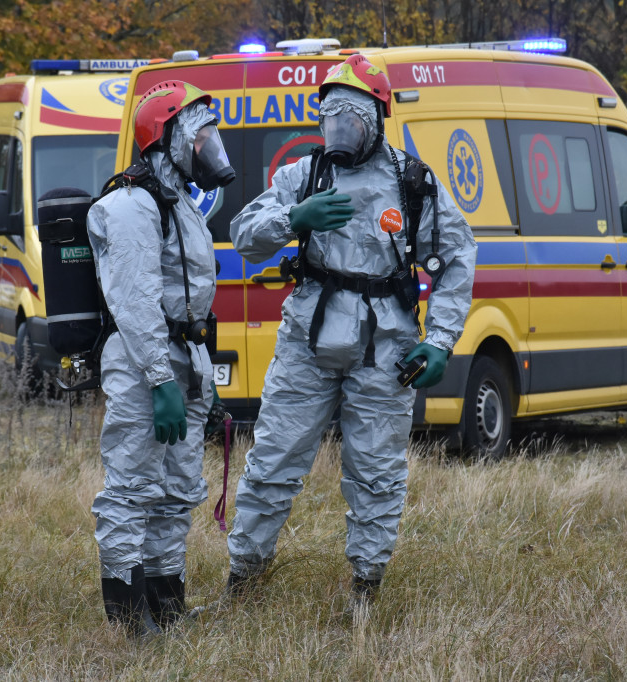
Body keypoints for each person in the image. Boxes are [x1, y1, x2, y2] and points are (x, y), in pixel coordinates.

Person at [223, 54, 477, 608]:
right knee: (271, 461)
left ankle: (366, 589)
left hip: (387, 349)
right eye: (330, 117)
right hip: (307, 342)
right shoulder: (304, 177)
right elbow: (243, 234)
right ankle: (243, 581)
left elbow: (457, 256)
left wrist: (439, 341)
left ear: (377, 117)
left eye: (351, 117)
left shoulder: (414, 185)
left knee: (377, 473)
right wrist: (293, 219)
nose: (340, 128)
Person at [86, 79, 235, 637]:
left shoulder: (182, 205)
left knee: (176, 492)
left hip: (183, 358)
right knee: (131, 491)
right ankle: (128, 623)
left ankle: (167, 607)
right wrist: (158, 380)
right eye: (200, 134)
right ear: (167, 137)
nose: (209, 145)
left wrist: (200, 378)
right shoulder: (129, 206)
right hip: (143, 363)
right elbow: (136, 301)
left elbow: (187, 300)